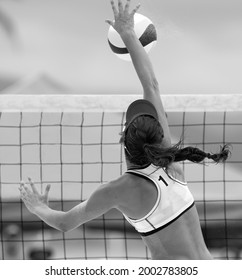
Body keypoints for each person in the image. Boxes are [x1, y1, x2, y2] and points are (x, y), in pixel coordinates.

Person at [19, 0, 230, 260]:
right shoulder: (171, 163)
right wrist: (129, 33)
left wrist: (39, 207)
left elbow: (64, 223)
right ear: (159, 137)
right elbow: (151, 85)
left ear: (124, 142)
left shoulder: (117, 190)